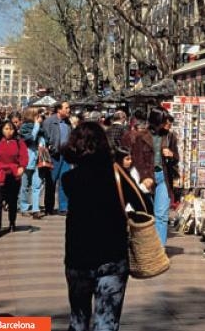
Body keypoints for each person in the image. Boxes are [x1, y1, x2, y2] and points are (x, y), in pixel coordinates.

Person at [61, 122, 143, 331]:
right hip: (112, 256)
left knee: (78, 319)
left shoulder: (69, 179)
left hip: (78, 256)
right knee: (106, 321)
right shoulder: (117, 176)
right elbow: (145, 205)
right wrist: (127, 214)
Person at [0, 120, 29, 238]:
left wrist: (22, 167)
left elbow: (24, 157)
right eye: (6, 129)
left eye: (11, 129)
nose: (9, 131)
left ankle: (12, 223)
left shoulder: (19, 142)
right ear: (1, 130)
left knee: (12, 201)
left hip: (13, 174)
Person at [147, 107, 179, 247]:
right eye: (164, 120)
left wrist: (171, 155)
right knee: (145, 215)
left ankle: (160, 249)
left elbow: (176, 158)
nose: (167, 124)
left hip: (162, 176)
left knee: (161, 215)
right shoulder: (142, 135)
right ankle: (146, 248)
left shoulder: (169, 136)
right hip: (145, 177)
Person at [42, 101, 71, 216]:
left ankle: (63, 207)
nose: (69, 110)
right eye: (66, 108)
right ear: (59, 110)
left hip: (65, 156)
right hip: (53, 156)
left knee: (64, 181)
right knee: (51, 182)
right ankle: (49, 207)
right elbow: (44, 137)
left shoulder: (68, 122)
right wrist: (50, 147)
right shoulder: (49, 122)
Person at [18, 108, 45, 219]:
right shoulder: (24, 128)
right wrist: (36, 125)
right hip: (27, 159)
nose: (40, 117)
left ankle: (35, 209)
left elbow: (43, 139)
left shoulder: (40, 128)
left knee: (37, 185)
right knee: (24, 185)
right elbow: (31, 138)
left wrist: (42, 142)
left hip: (38, 159)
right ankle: (23, 207)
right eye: (38, 115)